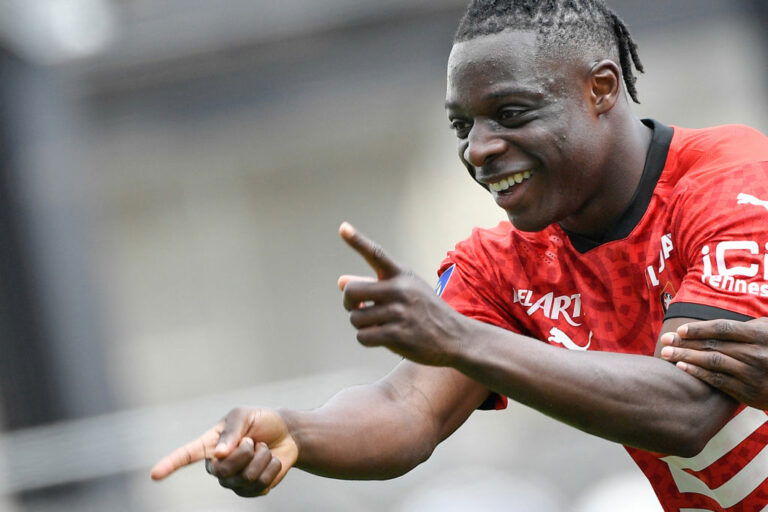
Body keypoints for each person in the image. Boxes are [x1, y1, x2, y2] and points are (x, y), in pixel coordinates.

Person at [150, 1, 768, 509]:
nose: (479, 149)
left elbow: (690, 410)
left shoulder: (730, 183)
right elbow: (406, 409)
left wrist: (458, 338)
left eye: (510, 113)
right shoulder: (500, 263)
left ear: (600, 89)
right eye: (462, 127)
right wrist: (296, 433)